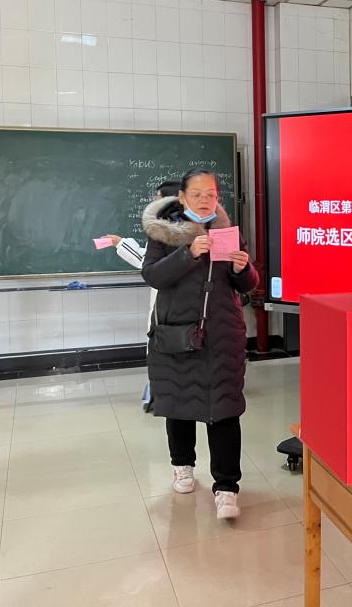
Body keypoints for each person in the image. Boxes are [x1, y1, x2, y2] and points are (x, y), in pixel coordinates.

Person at [141, 168, 258, 520]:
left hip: (222, 335)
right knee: (179, 402)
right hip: (177, 333)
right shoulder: (164, 232)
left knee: (224, 409)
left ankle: (227, 487)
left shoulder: (227, 231)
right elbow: (152, 275)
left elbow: (249, 284)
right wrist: (188, 253)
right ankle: (183, 466)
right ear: (182, 198)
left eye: (211, 194)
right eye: (197, 194)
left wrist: (242, 268)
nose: (205, 200)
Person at [105, 179, 181, 412]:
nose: (153, 203)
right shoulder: (165, 229)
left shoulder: (173, 232)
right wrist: (120, 244)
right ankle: (159, 394)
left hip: (172, 304)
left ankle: (162, 395)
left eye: (158, 198)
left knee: (164, 347)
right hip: (167, 303)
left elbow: (148, 262)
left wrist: (121, 244)